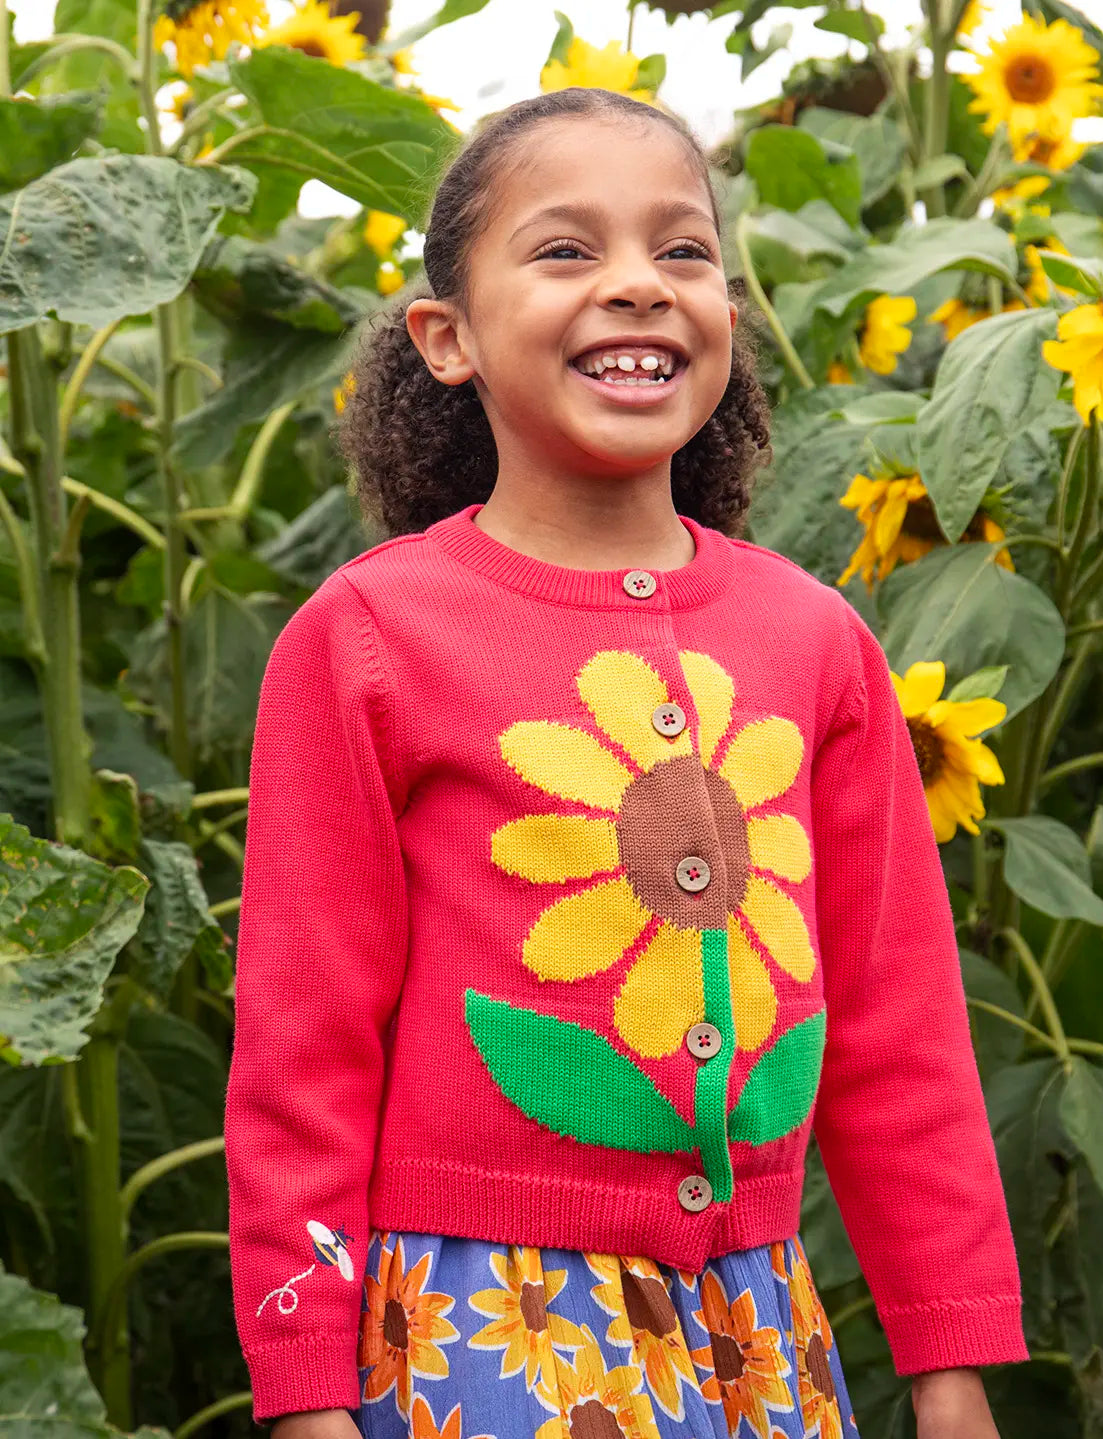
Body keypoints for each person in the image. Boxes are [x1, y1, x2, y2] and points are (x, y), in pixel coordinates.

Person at [223, 86, 1028, 1439]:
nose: (640, 288)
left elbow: (902, 1037)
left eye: (683, 251)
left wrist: (949, 1367)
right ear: (447, 338)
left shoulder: (817, 641)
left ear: (728, 313)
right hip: (476, 1334)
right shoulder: (365, 641)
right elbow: (302, 1053)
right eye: (565, 251)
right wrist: (306, 1392)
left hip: (764, 1330)